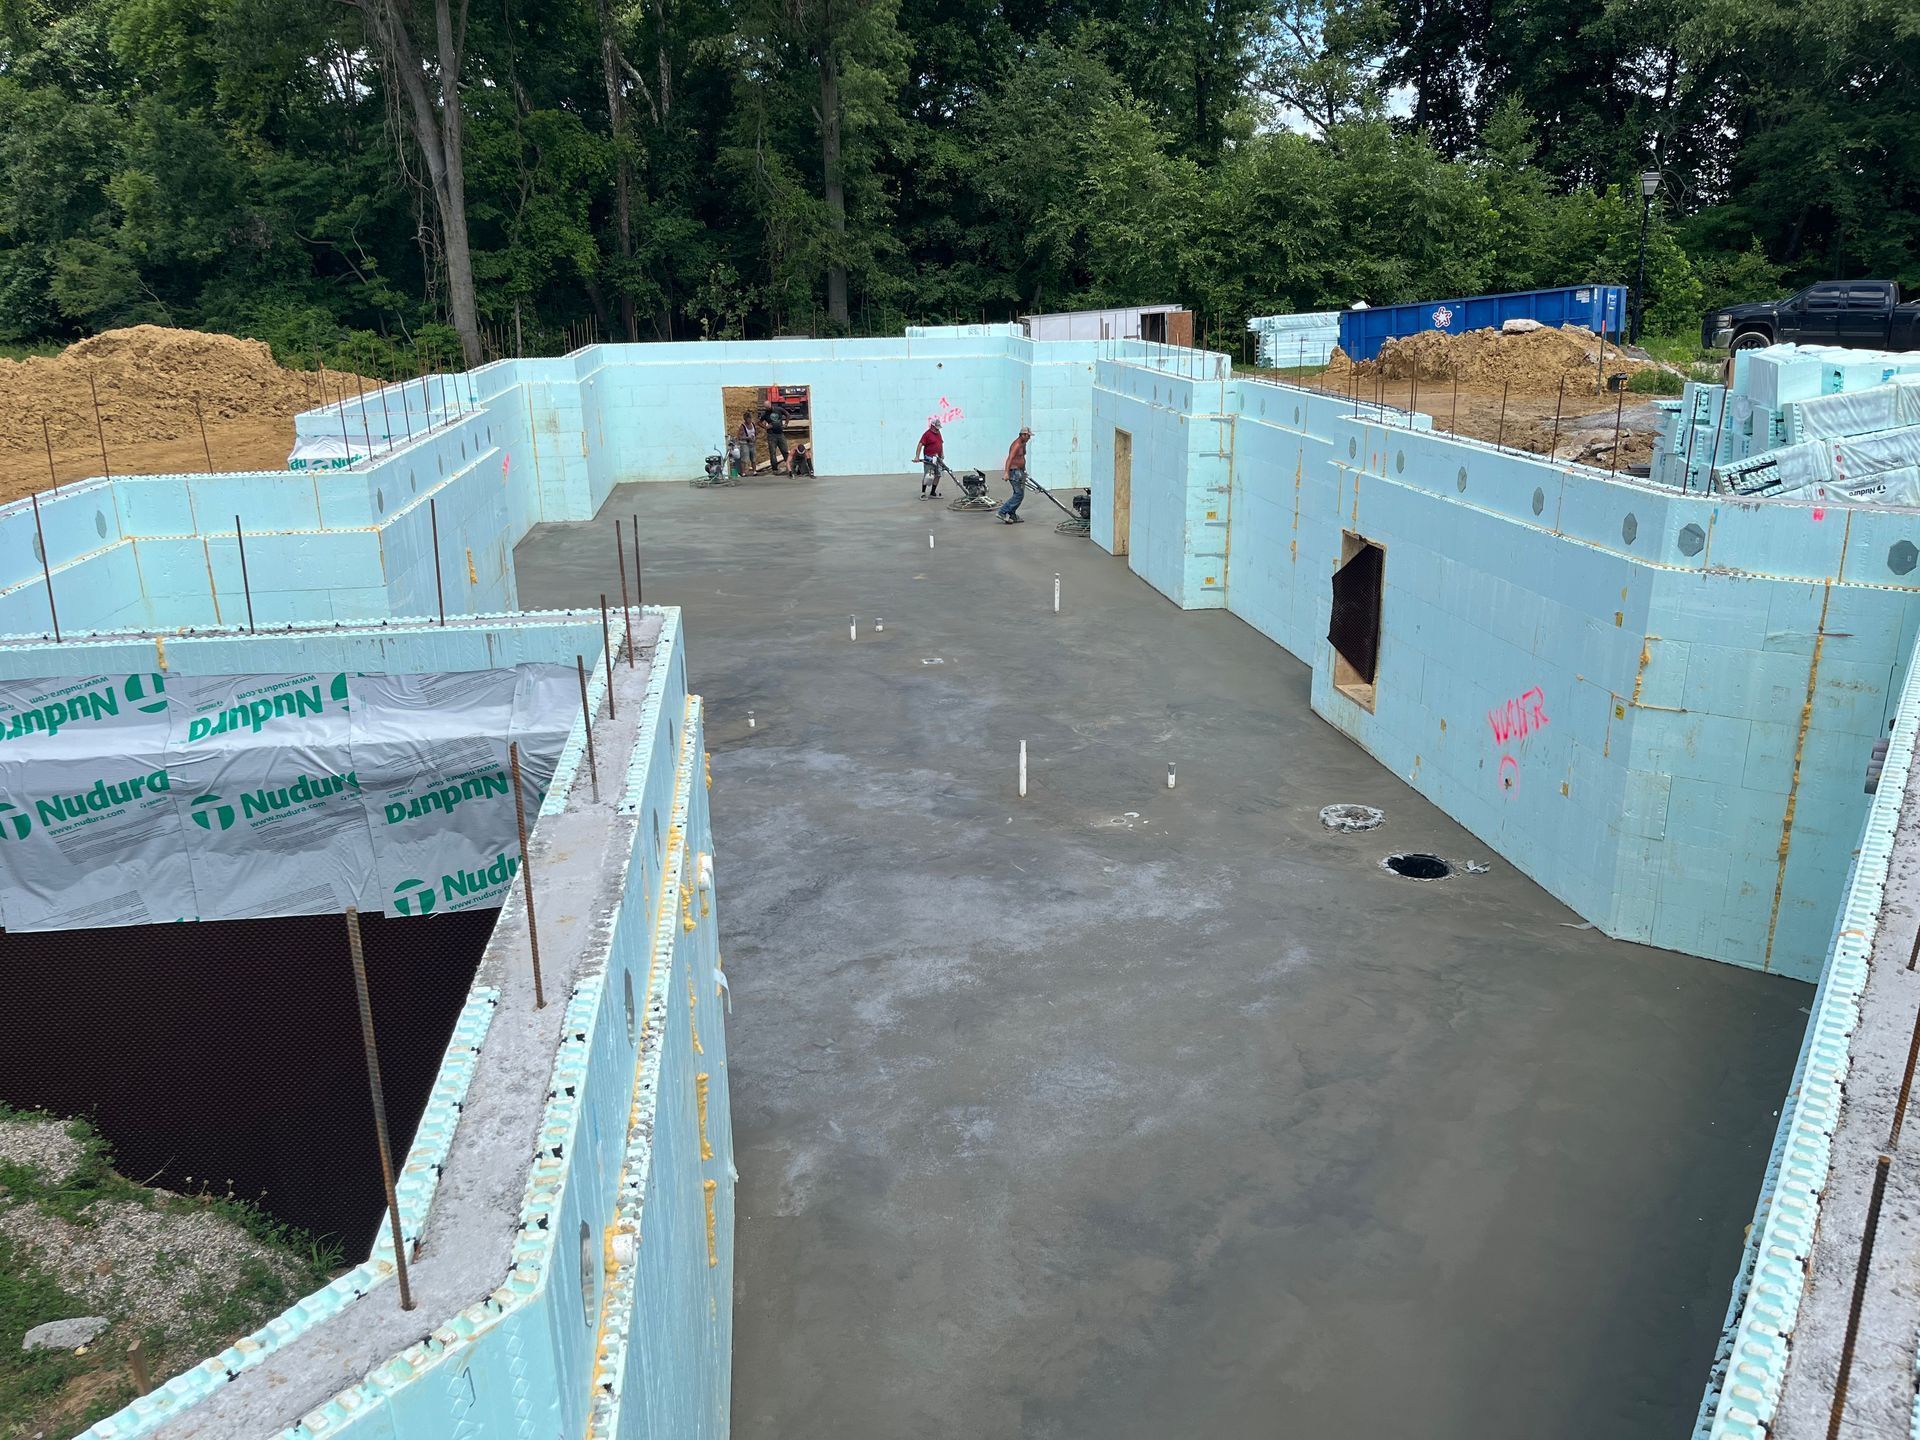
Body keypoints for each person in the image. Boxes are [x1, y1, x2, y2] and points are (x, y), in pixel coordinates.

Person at [998, 426, 1032, 523]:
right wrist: (1006, 473)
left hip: (1020, 471)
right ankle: (1002, 511)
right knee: (1018, 494)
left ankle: (1012, 514)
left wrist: (1024, 470)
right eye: (1028, 436)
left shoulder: (1023, 443)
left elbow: (1022, 458)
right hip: (1014, 471)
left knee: (1019, 494)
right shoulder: (1016, 445)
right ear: (1022, 435)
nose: (1029, 438)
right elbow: (1010, 459)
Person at [915, 418, 946, 498]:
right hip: (929, 459)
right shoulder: (927, 434)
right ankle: (923, 493)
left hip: (938, 459)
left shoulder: (938, 433)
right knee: (929, 476)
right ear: (932, 426)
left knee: (938, 475)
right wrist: (917, 457)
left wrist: (942, 453)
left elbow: (940, 443)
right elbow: (920, 445)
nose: (937, 429)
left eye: (938, 427)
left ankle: (932, 492)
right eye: (936, 427)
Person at [764, 406, 790, 474]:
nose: (768, 409)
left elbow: (787, 414)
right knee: (772, 453)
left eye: (768, 408)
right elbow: (759, 422)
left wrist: (786, 423)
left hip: (780, 434)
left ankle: (789, 467)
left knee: (785, 451)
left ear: (770, 405)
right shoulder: (765, 413)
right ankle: (775, 469)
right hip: (771, 435)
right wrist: (765, 427)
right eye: (766, 408)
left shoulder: (778, 409)